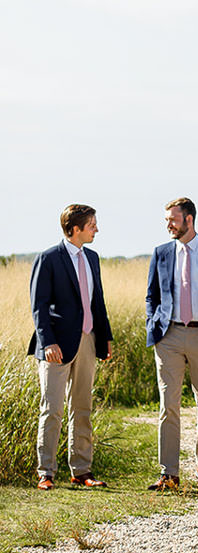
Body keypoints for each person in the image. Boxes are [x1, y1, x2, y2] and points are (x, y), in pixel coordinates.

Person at [145, 196, 198, 490]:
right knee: (168, 404)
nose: (168, 224)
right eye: (167, 219)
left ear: (189, 219)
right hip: (168, 336)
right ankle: (168, 472)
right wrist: (153, 324)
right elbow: (151, 296)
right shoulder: (162, 252)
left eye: (173, 219)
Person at [28, 203, 114, 491]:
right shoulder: (49, 258)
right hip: (56, 345)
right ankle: (46, 473)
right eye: (92, 225)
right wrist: (47, 341)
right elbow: (38, 306)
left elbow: (97, 301)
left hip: (88, 341)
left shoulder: (92, 257)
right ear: (75, 229)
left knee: (82, 406)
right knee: (51, 408)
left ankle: (81, 470)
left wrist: (105, 338)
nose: (97, 229)